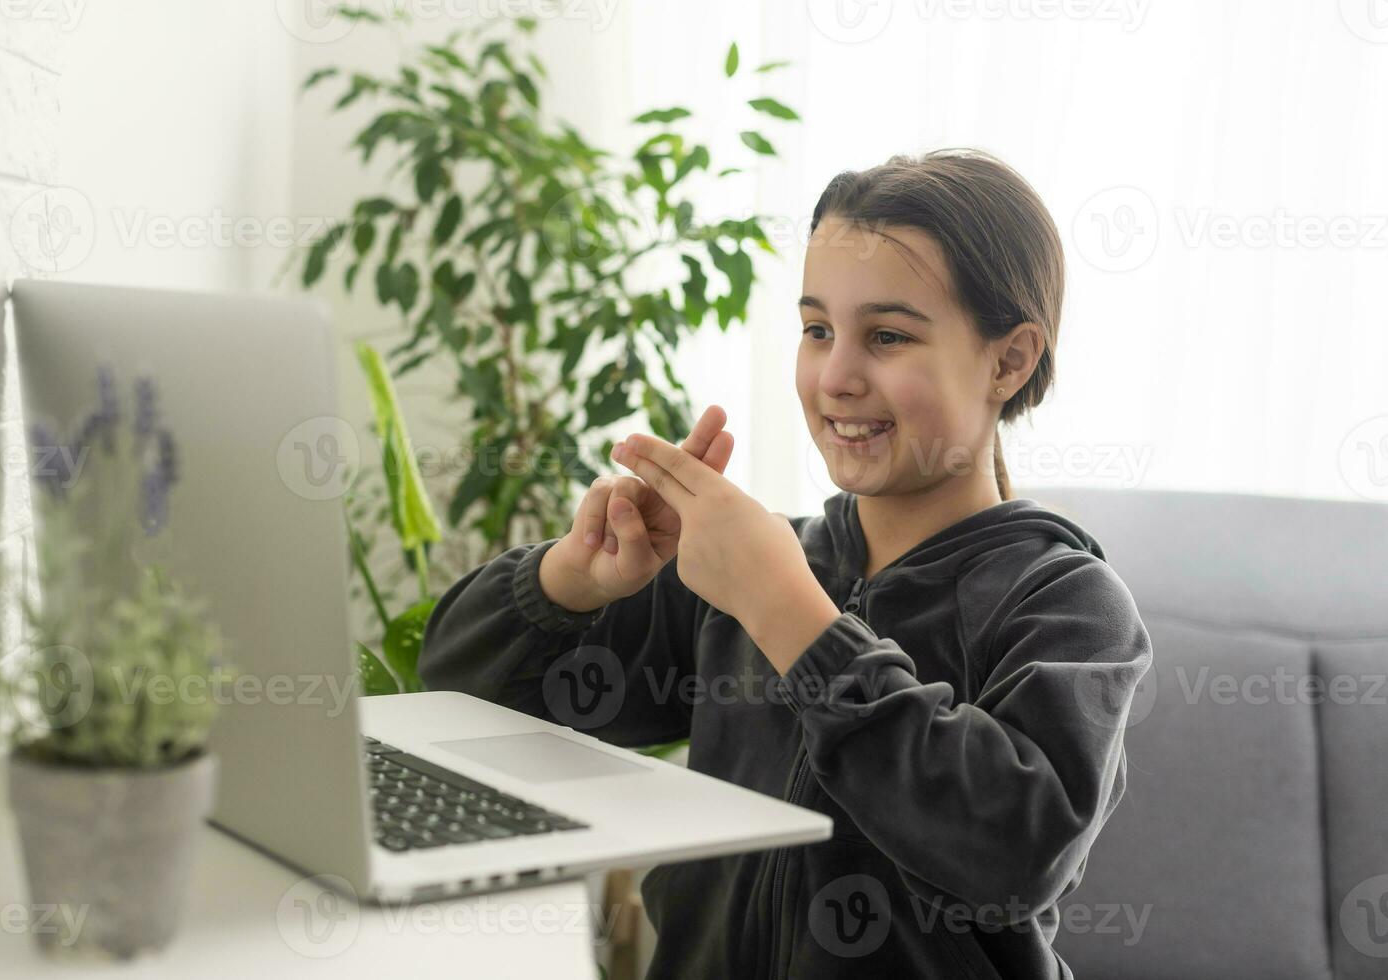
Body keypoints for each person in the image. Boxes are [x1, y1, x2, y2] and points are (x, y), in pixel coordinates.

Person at [420, 148, 1153, 979]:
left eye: (886, 336)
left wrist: (788, 615)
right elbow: (457, 694)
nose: (836, 376)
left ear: (1009, 360)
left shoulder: (1066, 605)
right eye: (816, 330)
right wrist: (573, 583)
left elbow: (1018, 855)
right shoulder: (747, 570)